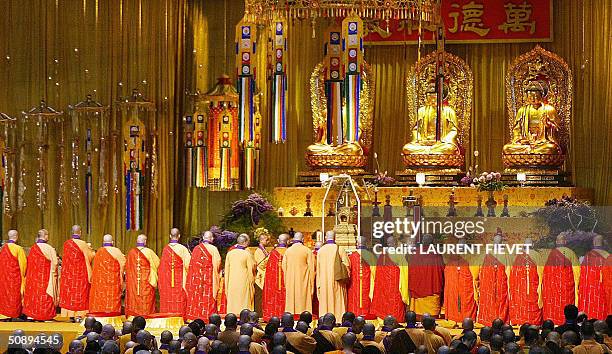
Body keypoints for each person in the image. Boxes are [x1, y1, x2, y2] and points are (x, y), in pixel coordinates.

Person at [542, 233, 580, 324]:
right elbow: (577, 271)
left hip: (553, 287)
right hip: (567, 287)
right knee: (566, 304)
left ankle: (553, 322)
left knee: (554, 304)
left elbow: (546, 273)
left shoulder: (551, 253)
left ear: (556, 242)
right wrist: (577, 285)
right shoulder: (571, 253)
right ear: (565, 241)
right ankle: (567, 322)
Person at [59, 225, 96, 320]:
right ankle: (79, 315)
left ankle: (70, 315)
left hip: (69, 274)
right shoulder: (83, 244)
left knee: (70, 293)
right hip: (80, 273)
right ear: (80, 232)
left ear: (72, 232)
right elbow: (90, 256)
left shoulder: (66, 244)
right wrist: (91, 250)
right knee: (80, 294)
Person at [23, 229, 59, 320]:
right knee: (45, 295)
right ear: (46, 236)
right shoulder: (49, 248)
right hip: (45, 278)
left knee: (33, 295)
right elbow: (55, 263)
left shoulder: (33, 248)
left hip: (33, 278)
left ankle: (31, 315)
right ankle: (45, 315)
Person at [185, 231, 222, 320]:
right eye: (212, 237)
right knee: (207, 298)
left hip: (197, 280)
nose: (213, 239)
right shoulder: (213, 249)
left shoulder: (196, 249)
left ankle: (195, 317)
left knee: (197, 297)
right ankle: (207, 318)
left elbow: (191, 265)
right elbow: (217, 264)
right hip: (209, 279)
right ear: (209, 238)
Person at [443, 240, 479, 323]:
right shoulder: (451, 262)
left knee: (466, 300)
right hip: (455, 283)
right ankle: (455, 318)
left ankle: (465, 318)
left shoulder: (471, 259)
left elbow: (475, 275)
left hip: (466, 284)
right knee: (454, 298)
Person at [371, 237, 408, 321]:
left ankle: (383, 322)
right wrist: (405, 291)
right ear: (395, 244)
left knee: (384, 306)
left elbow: (375, 272)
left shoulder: (381, 256)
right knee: (395, 308)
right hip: (394, 287)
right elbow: (405, 273)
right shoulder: (399, 256)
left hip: (383, 288)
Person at [509, 238, 544, 325]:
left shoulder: (518, 256)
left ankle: (521, 321)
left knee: (523, 304)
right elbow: (541, 273)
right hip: (527, 286)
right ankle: (528, 322)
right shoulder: (536, 255)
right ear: (532, 245)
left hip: (523, 287)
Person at [477, 234, 510, 325]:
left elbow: (508, 268)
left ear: (501, 242)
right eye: (495, 241)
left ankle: (500, 319)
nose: (497, 243)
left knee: (501, 299)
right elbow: (483, 269)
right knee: (489, 299)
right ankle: (489, 319)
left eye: (499, 241)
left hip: (501, 281)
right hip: (489, 281)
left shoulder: (505, 254)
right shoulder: (488, 253)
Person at [408, 234, 445, 317]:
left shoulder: (416, 253)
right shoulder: (436, 254)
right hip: (433, 287)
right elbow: (442, 269)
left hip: (418, 288)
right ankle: (432, 317)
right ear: (432, 242)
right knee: (432, 314)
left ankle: (417, 316)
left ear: (422, 242)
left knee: (418, 314)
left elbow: (411, 271)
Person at [317, 231, 350, 319]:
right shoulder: (339, 249)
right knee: (338, 300)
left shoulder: (321, 250)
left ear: (325, 238)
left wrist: (318, 283)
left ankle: (324, 319)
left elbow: (318, 269)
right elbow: (347, 265)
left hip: (324, 281)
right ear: (335, 237)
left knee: (325, 301)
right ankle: (339, 319)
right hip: (337, 280)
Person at [89, 234, 126, 314]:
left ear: (103, 242)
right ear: (112, 242)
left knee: (101, 297)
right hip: (112, 281)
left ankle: (100, 313)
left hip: (100, 282)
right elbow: (123, 264)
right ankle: (112, 314)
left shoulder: (99, 252)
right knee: (111, 298)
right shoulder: (116, 251)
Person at [158, 228, 191, 316]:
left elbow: (161, 267)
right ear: (179, 236)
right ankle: (179, 317)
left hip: (167, 281)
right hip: (180, 281)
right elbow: (188, 265)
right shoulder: (183, 249)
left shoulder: (165, 249)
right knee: (179, 298)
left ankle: (167, 316)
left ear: (170, 236)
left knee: (168, 298)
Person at [125, 234, 160, 316]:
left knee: (134, 298)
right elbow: (158, 263)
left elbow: (127, 267)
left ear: (137, 241)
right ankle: (146, 316)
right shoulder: (149, 252)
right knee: (146, 300)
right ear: (145, 241)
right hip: (146, 282)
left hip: (134, 283)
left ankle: (133, 316)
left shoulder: (131, 253)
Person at [283, 232, 315, 315]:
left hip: (291, 280)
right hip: (303, 280)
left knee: (291, 298)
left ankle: (290, 314)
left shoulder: (288, 251)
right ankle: (304, 315)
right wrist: (312, 283)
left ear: (293, 239)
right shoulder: (307, 250)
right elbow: (312, 268)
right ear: (303, 239)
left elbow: (284, 267)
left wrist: (287, 280)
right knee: (303, 298)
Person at [579, 235, 609, 320]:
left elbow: (583, 275)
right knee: (601, 305)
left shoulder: (588, 256)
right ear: (603, 243)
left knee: (590, 305)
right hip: (602, 287)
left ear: (594, 243)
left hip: (589, 289)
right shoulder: (608, 256)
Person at [225, 234, 256, 314]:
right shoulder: (247, 254)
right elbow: (251, 268)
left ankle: (232, 314)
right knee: (243, 299)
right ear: (245, 242)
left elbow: (227, 269)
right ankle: (244, 314)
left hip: (232, 280)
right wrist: (252, 281)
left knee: (233, 298)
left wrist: (227, 282)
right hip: (243, 280)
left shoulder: (230, 253)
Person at [346, 236, 376, 317]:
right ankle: (366, 313)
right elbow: (374, 272)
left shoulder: (351, 256)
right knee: (366, 298)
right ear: (366, 243)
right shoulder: (370, 256)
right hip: (367, 283)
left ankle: (354, 314)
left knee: (355, 299)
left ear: (357, 243)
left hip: (354, 283)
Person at [0, 229, 26, 318]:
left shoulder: (3, 248)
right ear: (17, 237)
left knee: (5, 295)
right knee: (15, 295)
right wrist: (23, 275)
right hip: (15, 278)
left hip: (4, 277)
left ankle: (4, 316)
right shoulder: (18, 248)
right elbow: (23, 264)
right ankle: (15, 314)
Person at [263, 234, 289, 320]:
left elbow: (268, 269)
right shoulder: (289, 252)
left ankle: (272, 314)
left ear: (278, 241)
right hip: (286, 281)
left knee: (274, 297)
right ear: (288, 241)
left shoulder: (273, 253)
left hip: (274, 282)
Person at [254, 232, 271, 315]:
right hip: (260, 276)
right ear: (262, 240)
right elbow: (260, 264)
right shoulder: (259, 251)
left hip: (264, 274)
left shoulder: (264, 250)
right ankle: (258, 313)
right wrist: (269, 258)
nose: (268, 242)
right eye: (267, 240)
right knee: (259, 296)